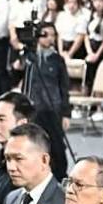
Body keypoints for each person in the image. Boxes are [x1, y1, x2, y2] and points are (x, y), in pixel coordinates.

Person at [20, 22, 71, 179]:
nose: (50, 38)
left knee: (57, 148)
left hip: (53, 109)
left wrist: (66, 113)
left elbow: (64, 87)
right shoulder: (29, 59)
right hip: (34, 109)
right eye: (46, 34)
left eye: (53, 35)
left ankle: (60, 177)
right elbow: (18, 73)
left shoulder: (57, 60)